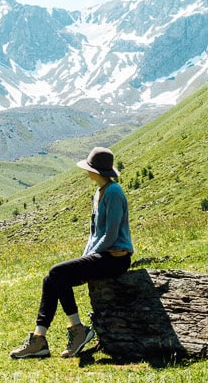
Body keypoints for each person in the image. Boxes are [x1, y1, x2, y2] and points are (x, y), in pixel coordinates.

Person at [10, 146, 134, 359]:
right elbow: (95, 234)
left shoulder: (114, 192)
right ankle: (39, 338)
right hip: (102, 254)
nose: (86, 171)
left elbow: (111, 234)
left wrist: (88, 257)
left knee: (57, 272)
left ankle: (78, 329)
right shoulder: (99, 191)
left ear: (97, 171)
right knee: (51, 279)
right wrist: (87, 256)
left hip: (116, 257)